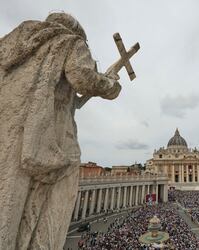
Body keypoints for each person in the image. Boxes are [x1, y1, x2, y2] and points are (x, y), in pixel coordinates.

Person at [0, 13, 121, 250]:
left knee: (8, 203)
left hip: (9, 133)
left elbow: (69, 98)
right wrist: (111, 84)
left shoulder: (13, 45)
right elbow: (83, 78)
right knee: (52, 203)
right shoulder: (68, 41)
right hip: (46, 137)